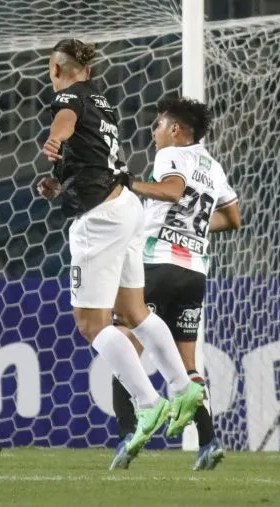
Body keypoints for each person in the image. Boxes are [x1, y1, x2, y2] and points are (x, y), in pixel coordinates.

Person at [36, 39, 206, 463]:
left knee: (90, 324)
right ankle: (183, 387)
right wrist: (60, 184)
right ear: (88, 70)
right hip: (126, 206)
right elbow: (90, 155)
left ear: (55, 69)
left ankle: (148, 403)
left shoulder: (68, 99)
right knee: (134, 312)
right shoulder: (103, 104)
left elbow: (64, 123)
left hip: (100, 218)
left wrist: (54, 139)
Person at [110, 95, 242, 471]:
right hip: (194, 272)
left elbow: (172, 190)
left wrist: (130, 183)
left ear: (176, 130)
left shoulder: (170, 155)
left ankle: (129, 433)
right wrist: (192, 229)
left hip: (157, 266)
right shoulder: (213, 167)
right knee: (186, 365)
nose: (154, 131)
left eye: (158, 125)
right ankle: (209, 442)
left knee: (123, 345)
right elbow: (233, 218)